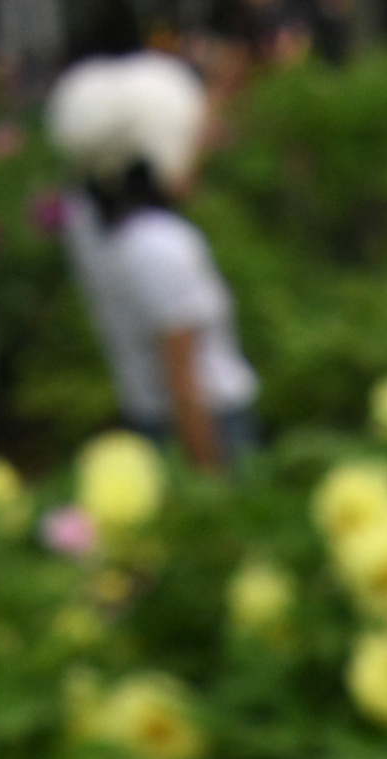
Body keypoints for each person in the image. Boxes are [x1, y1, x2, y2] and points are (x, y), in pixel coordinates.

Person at [48, 53, 261, 472]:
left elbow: (116, 142)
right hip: (210, 430)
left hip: (146, 420)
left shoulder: (86, 223)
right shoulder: (162, 247)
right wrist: (211, 488)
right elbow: (185, 386)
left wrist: (212, 99)